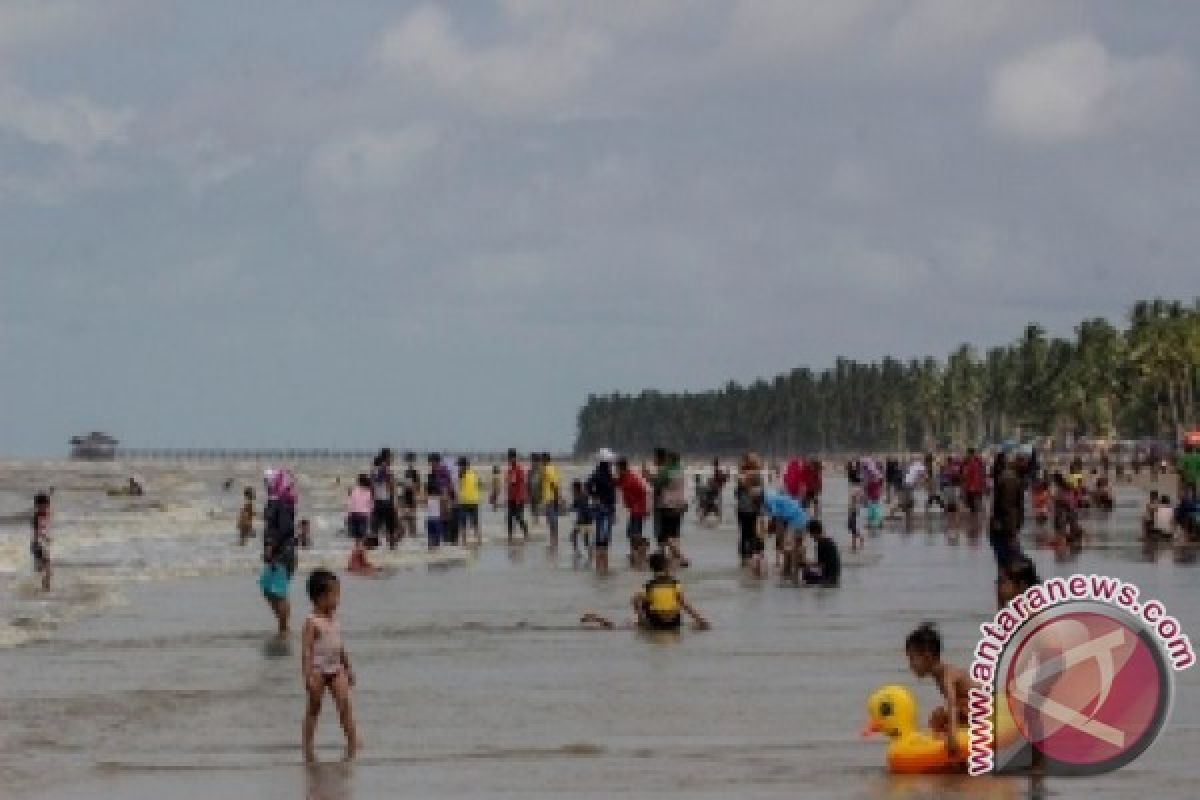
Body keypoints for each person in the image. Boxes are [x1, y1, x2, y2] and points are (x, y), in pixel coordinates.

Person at [301, 569, 359, 762]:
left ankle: (352, 740)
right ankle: (308, 744)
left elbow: (339, 645)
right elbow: (307, 650)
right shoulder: (312, 622)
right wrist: (307, 675)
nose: (338, 600)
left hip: (336, 669)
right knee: (314, 708)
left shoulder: (334, 619)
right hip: (318, 670)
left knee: (344, 704)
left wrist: (348, 667)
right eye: (335, 595)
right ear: (321, 597)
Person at [905, 623, 975, 758]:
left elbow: (952, 704)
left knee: (940, 715)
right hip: (966, 706)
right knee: (936, 717)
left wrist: (953, 735)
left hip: (982, 704)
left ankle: (957, 746)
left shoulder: (947, 675)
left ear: (927, 657)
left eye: (912, 659)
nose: (910, 666)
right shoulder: (938, 674)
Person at [593, 552, 708, 631]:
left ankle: (603, 621)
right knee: (683, 615)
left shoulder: (649, 586)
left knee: (623, 625)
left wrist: (641, 616)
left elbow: (634, 600)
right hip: (674, 622)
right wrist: (700, 620)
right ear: (666, 567)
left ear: (651, 568)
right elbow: (685, 605)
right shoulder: (675, 584)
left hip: (655, 622)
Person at [261, 468, 299, 635]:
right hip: (278, 553)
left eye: (267, 481)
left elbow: (285, 528)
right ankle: (283, 625)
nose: (265, 485)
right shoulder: (275, 500)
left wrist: (271, 546)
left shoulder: (281, 502)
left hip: (283, 553)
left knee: (278, 591)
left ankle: (283, 628)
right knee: (267, 588)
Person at [762, 489, 809, 583]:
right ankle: (792, 571)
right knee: (795, 546)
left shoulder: (771, 501)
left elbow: (777, 519)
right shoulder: (773, 496)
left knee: (789, 547)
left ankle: (791, 572)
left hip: (796, 521)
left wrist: (774, 534)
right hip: (802, 518)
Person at [653, 451, 690, 567]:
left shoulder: (666, 471)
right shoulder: (681, 471)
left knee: (665, 534)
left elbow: (658, 484)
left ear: (670, 459)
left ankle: (681, 557)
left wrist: (650, 477)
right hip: (679, 504)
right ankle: (673, 560)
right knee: (675, 533)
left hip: (667, 504)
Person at [989, 452, 1024, 567]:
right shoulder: (1011, 479)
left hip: (1000, 526)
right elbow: (1008, 507)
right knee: (1010, 562)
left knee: (1004, 562)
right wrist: (1012, 530)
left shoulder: (1008, 477)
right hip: (1005, 527)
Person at [586, 449, 618, 575]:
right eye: (610, 462)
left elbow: (588, 487)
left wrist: (595, 497)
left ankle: (602, 567)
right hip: (604, 510)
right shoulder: (602, 474)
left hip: (604, 509)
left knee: (602, 540)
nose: (611, 464)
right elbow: (588, 486)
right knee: (602, 541)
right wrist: (597, 499)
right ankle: (602, 568)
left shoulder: (601, 473)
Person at [616, 457, 650, 570]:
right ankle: (636, 553)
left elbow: (644, 491)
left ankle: (643, 549)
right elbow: (616, 483)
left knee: (633, 533)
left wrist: (646, 508)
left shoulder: (631, 478)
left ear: (622, 468)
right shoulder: (624, 477)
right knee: (632, 533)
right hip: (634, 509)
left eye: (617, 468)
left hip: (638, 509)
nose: (616, 471)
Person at [735, 453, 766, 576]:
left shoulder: (741, 475)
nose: (759, 460)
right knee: (754, 534)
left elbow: (736, 494)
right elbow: (760, 493)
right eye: (757, 459)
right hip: (753, 508)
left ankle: (744, 560)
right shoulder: (756, 475)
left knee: (744, 534)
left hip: (742, 508)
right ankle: (754, 560)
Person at [369, 449, 399, 549]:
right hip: (387, 501)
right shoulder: (387, 470)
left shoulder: (373, 470)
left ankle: (374, 554)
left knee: (375, 529)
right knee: (391, 529)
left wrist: (371, 500)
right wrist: (394, 501)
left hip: (377, 501)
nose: (392, 460)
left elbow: (372, 487)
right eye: (391, 457)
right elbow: (390, 486)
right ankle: (392, 552)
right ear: (387, 457)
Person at [346, 474, 373, 573]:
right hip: (363, 516)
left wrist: (348, 516)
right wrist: (369, 516)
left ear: (359, 481)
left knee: (357, 540)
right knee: (362, 539)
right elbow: (370, 506)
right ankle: (362, 560)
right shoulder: (368, 492)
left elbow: (350, 504)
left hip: (353, 515)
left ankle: (354, 561)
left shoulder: (354, 491)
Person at [801, 519, 840, 586]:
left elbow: (820, 564)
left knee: (806, 574)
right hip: (835, 577)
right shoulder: (829, 541)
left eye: (811, 534)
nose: (811, 536)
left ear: (815, 532)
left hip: (828, 578)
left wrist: (806, 563)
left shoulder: (821, 543)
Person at [457, 457, 483, 546]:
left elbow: (460, 485)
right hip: (473, 501)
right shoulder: (474, 473)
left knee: (465, 523)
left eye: (460, 465)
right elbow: (480, 484)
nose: (459, 467)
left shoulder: (461, 473)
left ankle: (466, 542)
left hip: (465, 502)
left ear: (464, 465)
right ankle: (478, 541)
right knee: (474, 523)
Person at [505, 449, 529, 543]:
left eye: (511, 458)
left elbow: (521, 484)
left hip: (519, 498)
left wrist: (519, 498)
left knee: (519, 517)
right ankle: (510, 536)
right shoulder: (509, 470)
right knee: (510, 518)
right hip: (511, 497)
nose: (510, 460)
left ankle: (526, 532)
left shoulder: (519, 469)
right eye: (509, 458)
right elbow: (509, 483)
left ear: (514, 458)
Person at [30, 492, 52, 591]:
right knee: (47, 568)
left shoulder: (43, 514)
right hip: (38, 544)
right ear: (37, 506)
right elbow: (38, 531)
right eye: (43, 505)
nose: (46, 507)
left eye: (46, 505)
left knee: (43, 568)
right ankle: (45, 588)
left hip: (40, 544)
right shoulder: (38, 517)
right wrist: (45, 537)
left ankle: (43, 588)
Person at [399, 452, 421, 544]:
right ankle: (409, 533)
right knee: (405, 516)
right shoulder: (406, 472)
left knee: (411, 516)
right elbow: (407, 485)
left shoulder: (415, 472)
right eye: (408, 460)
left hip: (412, 495)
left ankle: (413, 534)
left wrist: (410, 487)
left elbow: (418, 485)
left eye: (410, 460)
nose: (409, 462)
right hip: (406, 495)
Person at [541, 454, 561, 549]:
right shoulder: (553, 468)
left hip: (550, 498)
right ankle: (554, 541)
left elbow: (553, 483)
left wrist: (557, 496)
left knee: (552, 521)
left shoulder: (547, 469)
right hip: (552, 497)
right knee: (553, 521)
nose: (541, 461)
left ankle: (553, 542)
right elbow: (556, 482)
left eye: (542, 459)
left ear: (545, 459)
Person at [570, 480, 592, 558]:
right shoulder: (583, 495)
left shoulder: (579, 497)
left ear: (576, 488)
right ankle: (589, 554)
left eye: (572, 488)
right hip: (587, 520)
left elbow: (574, 507)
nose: (571, 490)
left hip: (583, 520)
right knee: (585, 539)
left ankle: (578, 553)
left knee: (573, 536)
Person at [847, 487, 864, 552]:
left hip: (856, 517)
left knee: (854, 531)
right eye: (854, 495)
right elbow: (849, 510)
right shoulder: (851, 502)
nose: (854, 497)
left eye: (856, 495)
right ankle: (857, 542)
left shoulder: (859, 503)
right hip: (852, 517)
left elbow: (859, 512)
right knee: (853, 532)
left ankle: (855, 544)